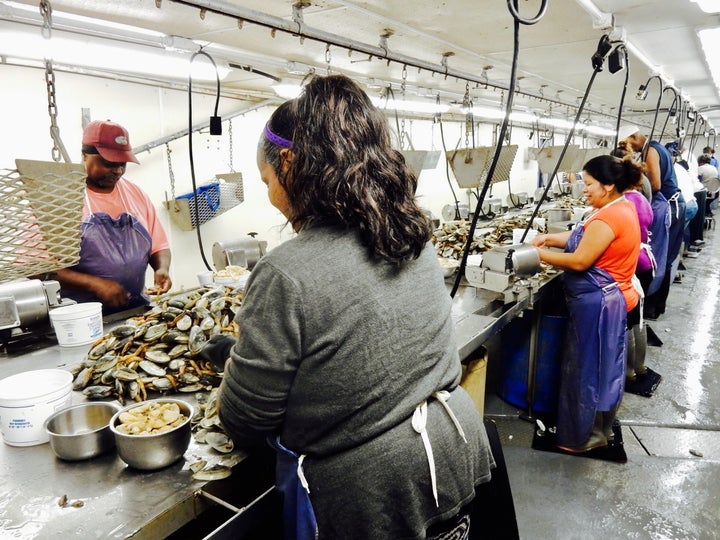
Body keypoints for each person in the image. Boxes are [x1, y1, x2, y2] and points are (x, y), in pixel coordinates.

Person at [201, 75, 495, 540]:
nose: (269, 194)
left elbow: (244, 420)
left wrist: (235, 365)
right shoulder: (411, 233)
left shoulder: (285, 273)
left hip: (373, 498)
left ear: (290, 164)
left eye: (266, 179)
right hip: (453, 451)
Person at [531, 154, 642, 453]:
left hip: (600, 305)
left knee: (588, 371)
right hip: (605, 300)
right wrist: (548, 239)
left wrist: (536, 255)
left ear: (607, 185)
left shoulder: (610, 215)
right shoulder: (617, 206)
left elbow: (580, 260)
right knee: (601, 368)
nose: (584, 189)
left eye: (589, 184)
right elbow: (585, 236)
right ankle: (595, 430)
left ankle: (583, 438)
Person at [52, 120, 172, 314]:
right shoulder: (58, 199)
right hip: (79, 316)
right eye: (108, 163)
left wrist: (162, 268)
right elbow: (38, 269)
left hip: (134, 310)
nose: (118, 171)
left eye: (122, 164)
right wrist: (95, 284)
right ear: (84, 156)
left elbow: (160, 246)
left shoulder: (136, 194)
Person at [619, 125, 685, 320]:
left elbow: (655, 185)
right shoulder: (656, 148)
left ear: (635, 137)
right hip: (668, 204)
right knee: (664, 255)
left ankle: (652, 307)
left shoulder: (651, 151)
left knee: (658, 255)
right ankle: (655, 306)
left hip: (666, 205)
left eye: (628, 143)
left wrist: (634, 195)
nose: (628, 147)